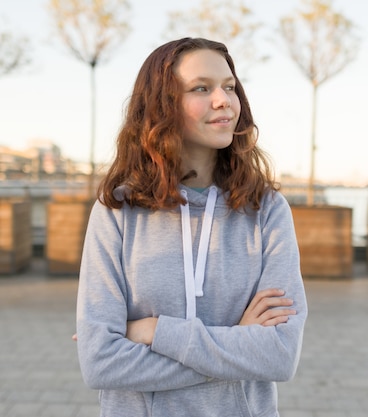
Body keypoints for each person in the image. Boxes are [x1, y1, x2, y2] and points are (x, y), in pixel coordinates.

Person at [75, 37, 307, 417]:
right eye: (202, 88)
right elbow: (101, 363)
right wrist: (237, 345)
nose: (224, 100)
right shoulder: (117, 211)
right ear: (161, 106)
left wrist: (152, 331)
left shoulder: (266, 210)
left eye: (229, 87)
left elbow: (279, 356)